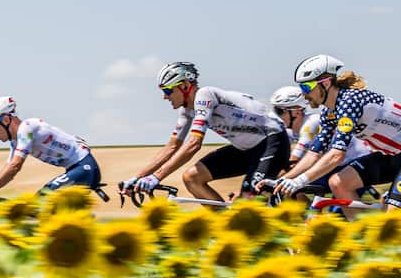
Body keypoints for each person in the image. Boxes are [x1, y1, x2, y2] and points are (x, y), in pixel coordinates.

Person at [121, 62, 288, 204]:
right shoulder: (188, 110)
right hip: (246, 149)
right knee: (192, 178)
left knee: (249, 198)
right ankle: (223, 228)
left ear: (185, 86)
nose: (165, 97)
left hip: (272, 142)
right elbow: (172, 147)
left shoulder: (205, 96)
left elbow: (194, 144)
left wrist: (156, 178)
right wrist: (138, 177)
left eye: (167, 91)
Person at [275, 54, 401, 209]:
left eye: (306, 87)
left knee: (393, 218)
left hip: (395, 154)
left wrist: (299, 181)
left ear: (326, 83)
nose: (303, 95)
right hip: (392, 155)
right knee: (338, 183)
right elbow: (315, 152)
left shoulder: (350, 101)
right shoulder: (329, 112)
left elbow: (337, 155)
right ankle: (359, 230)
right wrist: (282, 180)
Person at [0, 96, 102, 203]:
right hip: (78, 169)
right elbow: (8, 172)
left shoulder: (27, 128)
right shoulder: (16, 141)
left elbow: (15, 166)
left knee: (39, 204)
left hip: (84, 167)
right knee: (40, 207)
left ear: (5, 120)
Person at [267, 83, 387, 201]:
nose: (277, 116)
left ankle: (308, 214)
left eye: (279, 111)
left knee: (338, 214)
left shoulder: (311, 123)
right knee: (288, 184)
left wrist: (278, 178)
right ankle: (306, 215)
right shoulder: (291, 130)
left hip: (355, 162)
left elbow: (294, 160)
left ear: (296, 111)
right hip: (337, 166)